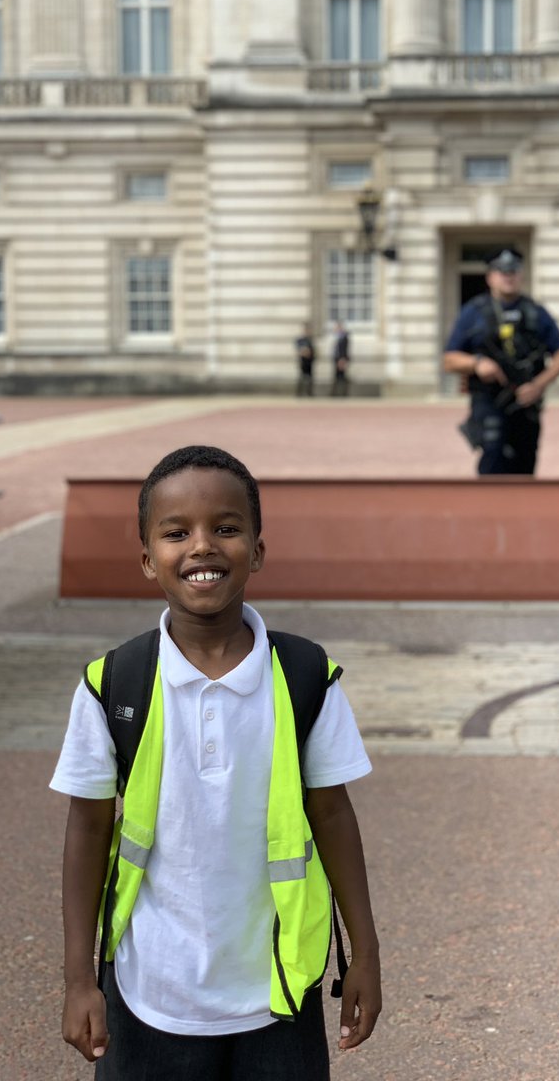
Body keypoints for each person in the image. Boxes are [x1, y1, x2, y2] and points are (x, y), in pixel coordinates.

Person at [51, 445, 381, 1080]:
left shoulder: (306, 677)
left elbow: (334, 816)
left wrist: (363, 952)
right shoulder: (113, 684)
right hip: (149, 993)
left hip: (278, 994)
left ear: (257, 549)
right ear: (148, 559)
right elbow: (87, 831)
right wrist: (78, 981)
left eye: (226, 529)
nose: (201, 547)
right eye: (176, 533)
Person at [442, 248, 559, 475]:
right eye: (502, 272)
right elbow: (449, 359)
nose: (508, 277)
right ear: (490, 277)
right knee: (493, 457)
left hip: (525, 403)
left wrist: (539, 385)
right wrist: (477, 363)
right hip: (489, 400)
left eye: (513, 272)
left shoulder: (535, 312)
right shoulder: (474, 312)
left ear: (521, 275)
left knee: (524, 464)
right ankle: (488, 509)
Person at [295, 322, 315, 396]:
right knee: (302, 377)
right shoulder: (300, 340)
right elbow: (299, 349)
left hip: (310, 361)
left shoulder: (311, 339)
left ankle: (309, 393)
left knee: (310, 378)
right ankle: (299, 393)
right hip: (303, 361)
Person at [331, 322, 350, 396]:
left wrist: (342, 359)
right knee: (337, 376)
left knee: (342, 377)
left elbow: (344, 350)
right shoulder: (337, 337)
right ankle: (336, 393)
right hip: (337, 358)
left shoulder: (344, 337)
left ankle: (342, 393)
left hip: (341, 359)